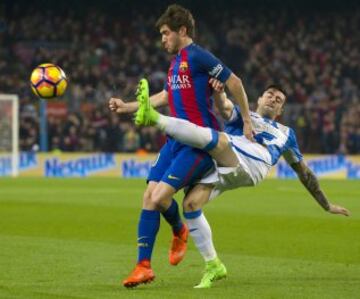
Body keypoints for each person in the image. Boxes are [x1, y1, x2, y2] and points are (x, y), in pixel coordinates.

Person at [133, 79, 350, 288]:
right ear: (259, 99)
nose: (273, 99)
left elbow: (305, 173)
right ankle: (213, 265)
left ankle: (155, 118)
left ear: (281, 110)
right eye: (270, 95)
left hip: (257, 159)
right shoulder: (245, 116)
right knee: (190, 204)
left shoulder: (286, 134)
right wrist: (218, 91)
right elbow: (226, 107)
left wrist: (326, 204)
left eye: (279, 99)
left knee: (216, 138)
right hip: (227, 161)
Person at [109, 4, 253, 288]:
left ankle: (179, 229)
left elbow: (234, 81)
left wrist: (246, 119)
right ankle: (143, 266)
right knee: (149, 196)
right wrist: (128, 106)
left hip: (197, 142)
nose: (162, 39)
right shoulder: (175, 63)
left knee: (161, 197)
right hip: (174, 142)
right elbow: (165, 95)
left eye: (165, 33)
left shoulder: (198, 55)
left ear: (182, 31)